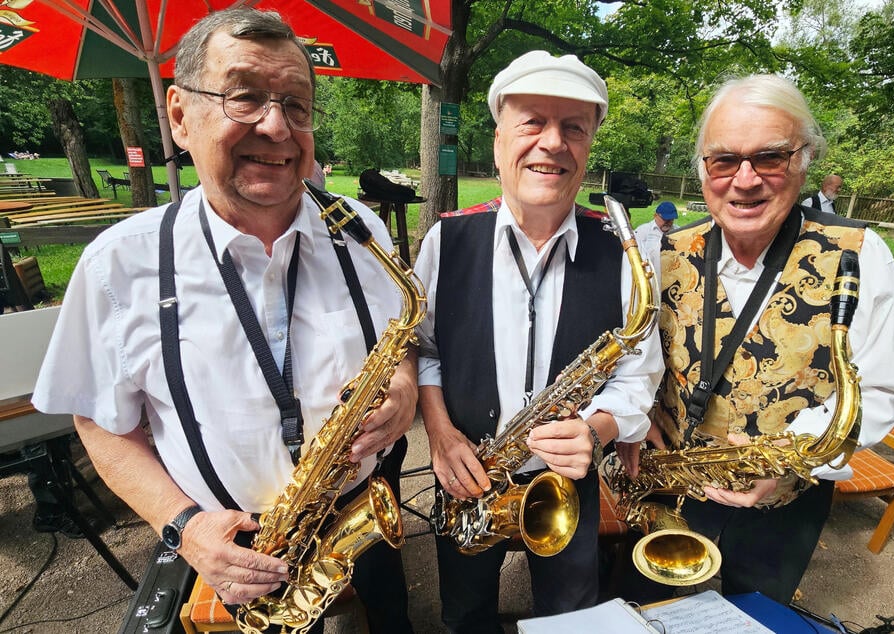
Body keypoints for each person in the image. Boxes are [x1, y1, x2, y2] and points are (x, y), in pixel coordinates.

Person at [31, 9, 416, 633]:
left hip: (355, 511)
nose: (276, 126)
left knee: (392, 615)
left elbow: (399, 335)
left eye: (296, 104)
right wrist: (184, 527)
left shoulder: (358, 230)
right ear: (180, 115)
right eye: (244, 97)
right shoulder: (117, 265)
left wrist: (400, 389)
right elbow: (100, 424)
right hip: (235, 548)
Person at [616, 74, 894, 605]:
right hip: (665, 483)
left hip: (785, 497)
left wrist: (791, 455)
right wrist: (635, 415)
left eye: (769, 157)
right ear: (702, 171)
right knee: (646, 606)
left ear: (803, 160)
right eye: (723, 160)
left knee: (755, 613)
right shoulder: (661, 252)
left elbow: (886, 386)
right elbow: (638, 361)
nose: (744, 180)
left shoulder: (859, 254)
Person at [414, 50, 664, 632]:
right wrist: (441, 432)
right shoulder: (446, 241)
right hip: (467, 474)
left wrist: (597, 429)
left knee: (569, 620)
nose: (552, 142)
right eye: (532, 122)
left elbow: (637, 376)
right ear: (499, 139)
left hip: (567, 484)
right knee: (465, 613)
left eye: (573, 127)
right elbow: (424, 350)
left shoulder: (624, 255)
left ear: (589, 145)